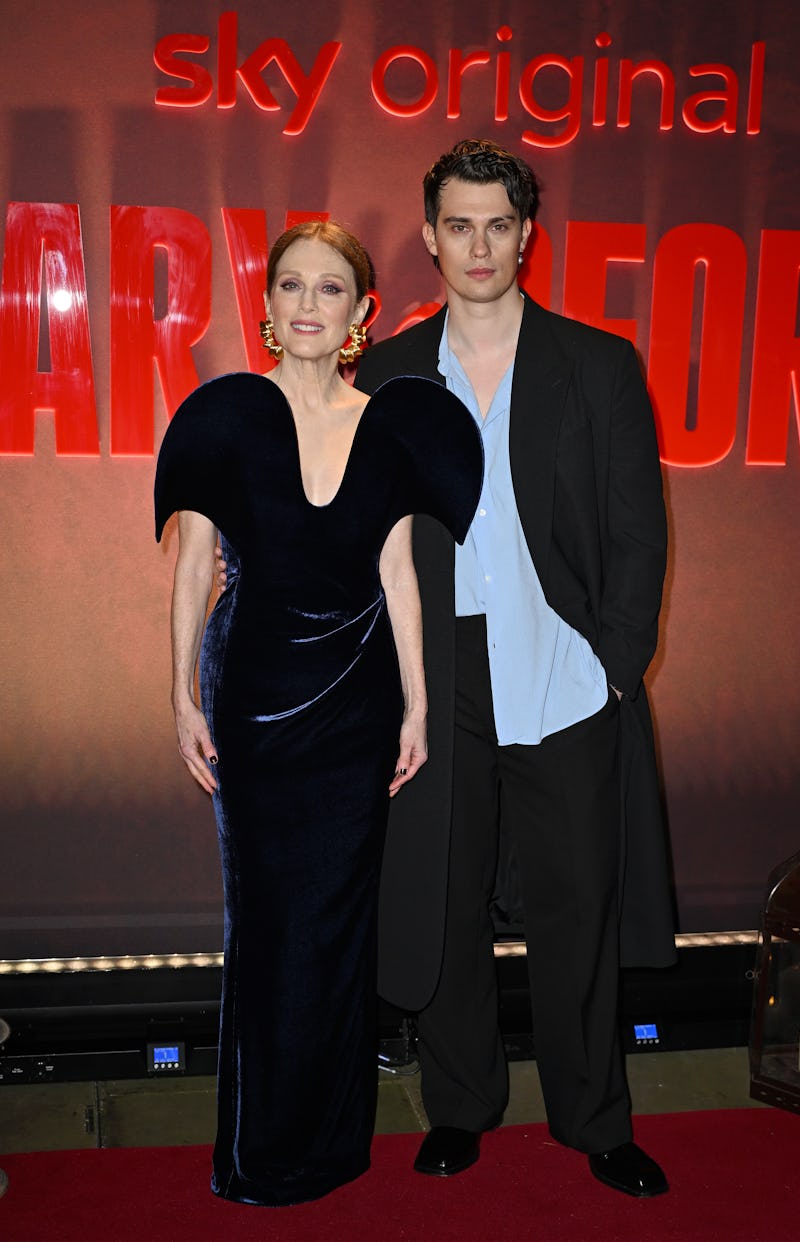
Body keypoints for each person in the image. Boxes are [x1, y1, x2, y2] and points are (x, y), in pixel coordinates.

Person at [355, 140, 676, 1198]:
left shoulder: (595, 363)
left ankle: (596, 1122)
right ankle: (460, 1108)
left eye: (499, 223)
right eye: (459, 224)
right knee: (445, 905)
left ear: (526, 234)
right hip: (442, 676)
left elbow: (639, 534)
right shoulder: (394, 373)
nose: (479, 244)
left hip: (566, 671)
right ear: (432, 235)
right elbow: (370, 536)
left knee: (575, 911)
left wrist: (616, 665)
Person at [154, 220, 482, 1206]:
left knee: (339, 925)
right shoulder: (224, 419)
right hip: (253, 695)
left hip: (357, 701)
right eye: (291, 285)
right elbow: (195, 568)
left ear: (360, 315)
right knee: (266, 922)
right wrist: (179, 694)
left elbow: (401, 577)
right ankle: (261, 1153)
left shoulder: (389, 424)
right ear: (266, 306)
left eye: (330, 290)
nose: (307, 304)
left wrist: (419, 704)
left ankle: (334, 1146)